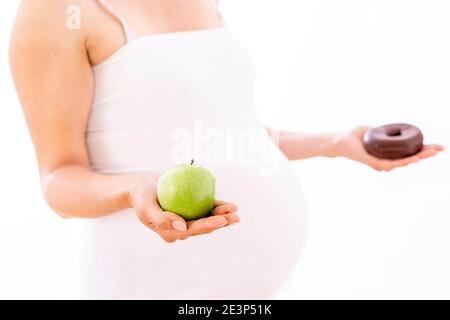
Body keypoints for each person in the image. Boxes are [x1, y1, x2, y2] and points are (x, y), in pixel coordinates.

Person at [9, 0, 443, 299]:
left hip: (252, 292)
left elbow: (228, 134)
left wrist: (336, 144)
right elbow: (58, 179)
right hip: (154, 286)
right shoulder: (56, 11)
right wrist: (133, 192)